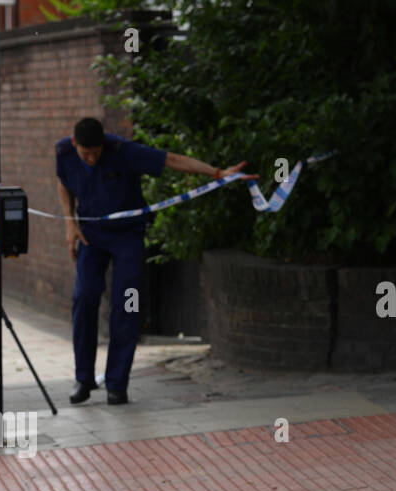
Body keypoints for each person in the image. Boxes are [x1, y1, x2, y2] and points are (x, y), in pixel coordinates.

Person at [56, 117, 253, 405]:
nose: (90, 158)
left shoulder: (124, 151)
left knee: (128, 302)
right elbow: (64, 183)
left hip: (127, 237)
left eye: (96, 153)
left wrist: (217, 173)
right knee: (84, 297)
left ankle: (117, 383)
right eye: (85, 153)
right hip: (91, 236)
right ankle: (83, 378)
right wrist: (69, 223)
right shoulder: (64, 152)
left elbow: (172, 159)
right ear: (75, 144)